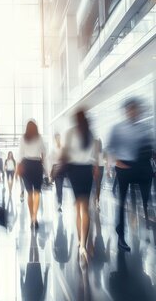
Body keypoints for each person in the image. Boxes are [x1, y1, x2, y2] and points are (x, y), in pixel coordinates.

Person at [107, 98, 154, 252]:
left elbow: (150, 148)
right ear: (126, 111)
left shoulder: (143, 128)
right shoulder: (118, 128)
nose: (134, 111)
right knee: (122, 200)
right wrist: (117, 164)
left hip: (141, 167)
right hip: (124, 167)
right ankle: (121, 234)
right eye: (131, 109)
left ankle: (146, 224)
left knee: (145, 199)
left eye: (136, 109)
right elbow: (110, 149)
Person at [63, 109, 98, 265]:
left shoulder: (71, 133)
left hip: (74, 170)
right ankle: (83, 242)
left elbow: (65, 153)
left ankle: (80, 242)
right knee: (86, 208)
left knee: (79, 208)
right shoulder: (90, 133)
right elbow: (95, 154)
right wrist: (95, 167)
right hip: (87, 170)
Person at [17, 120, 47, 231]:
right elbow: (44, 151)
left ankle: (31, 219)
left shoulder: (23, 138)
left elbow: (20, 154)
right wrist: (43, 162)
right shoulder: (39, 137)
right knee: (37, 192)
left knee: (29, 193)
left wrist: (18, 166)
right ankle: (35, 217)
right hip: (36, 164)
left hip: (26, 165)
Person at [49, 133, 64, 212]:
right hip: (56, 169)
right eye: (56, 138)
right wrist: (50, 173)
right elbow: (51, 161)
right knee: (59, 186)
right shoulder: (53, 149)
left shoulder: (63, 148)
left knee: (60, 186)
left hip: (62, 169)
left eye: (59, 137)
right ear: (55, 139)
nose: (58, 139)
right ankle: (59, 202)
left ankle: (59, 201)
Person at [94, 138, 105, 211]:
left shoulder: (102, 152)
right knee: (97, 185)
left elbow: (105, 159)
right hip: (95, 168)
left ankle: (97, 199)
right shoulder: (94, 152)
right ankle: (96, 200)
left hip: (101, 168)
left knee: (98, 185)